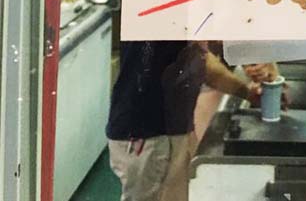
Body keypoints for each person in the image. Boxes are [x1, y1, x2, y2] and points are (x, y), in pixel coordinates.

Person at [106, 40, 275, 201]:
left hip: (167, 128)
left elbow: (203, 48)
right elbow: (204, 65)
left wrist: (252, 61)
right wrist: (248, 87)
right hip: (150, 133)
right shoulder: (169, 17)